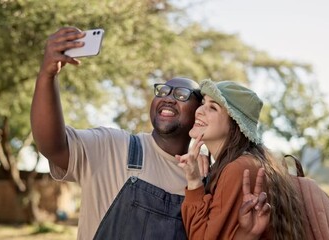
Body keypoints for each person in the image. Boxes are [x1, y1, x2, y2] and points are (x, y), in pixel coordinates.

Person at [31, 27, 270, 240]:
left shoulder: (203, 180)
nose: (168, 97)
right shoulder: (113, 146)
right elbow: (52, 146)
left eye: (181, 95)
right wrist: (46, 75)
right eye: (163, 91)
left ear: (198, 114)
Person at [176, 80, 307, 240]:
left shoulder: (238, 169)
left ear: (235, 125)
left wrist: (194, 181)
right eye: (203, 103)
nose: (199, 111)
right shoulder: (248, 162)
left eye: (213, 107)